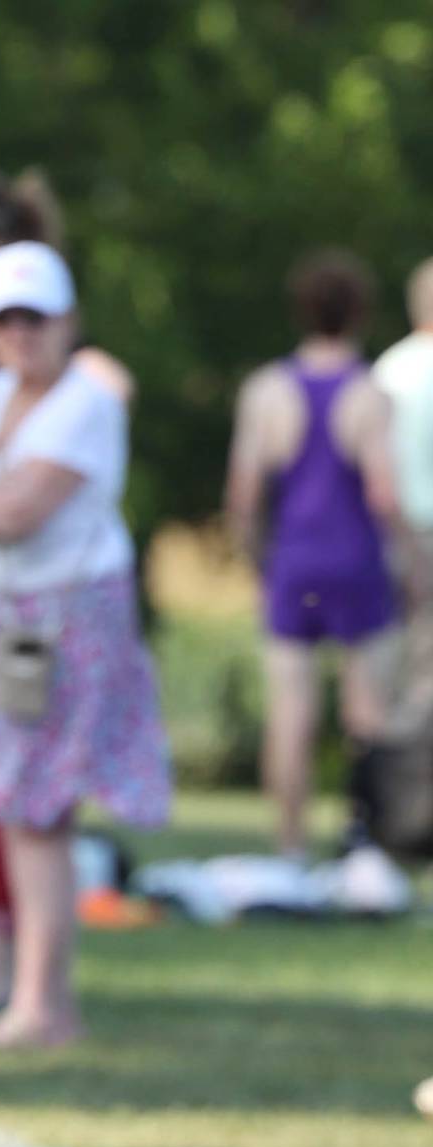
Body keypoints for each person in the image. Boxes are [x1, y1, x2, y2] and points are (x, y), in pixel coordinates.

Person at [0, 241, 169, 1048]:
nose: (18, 334)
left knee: (38, 806)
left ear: (66, 320)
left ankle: (40, 1002)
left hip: (67, 610)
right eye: (4, 319)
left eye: (33, 317)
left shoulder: (85, 400)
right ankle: (39, 999)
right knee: (28, 806)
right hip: (13, 610)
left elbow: (7, 511)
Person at [224, 250, 400, 858]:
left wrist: (257, 564)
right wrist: (413, 561)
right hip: (357, 563)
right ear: (359, 313)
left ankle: (290, 846)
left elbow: (243, 497)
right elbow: (382, 493)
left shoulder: (267, 390)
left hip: (292, 564)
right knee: (367, 713)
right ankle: (364, 841)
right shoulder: (368, 393)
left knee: (291, 713)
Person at [373, 258, 433, 740]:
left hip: (387, 528)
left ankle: (384, 786)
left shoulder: (388, 369)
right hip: (425, 531)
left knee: (385, 660)